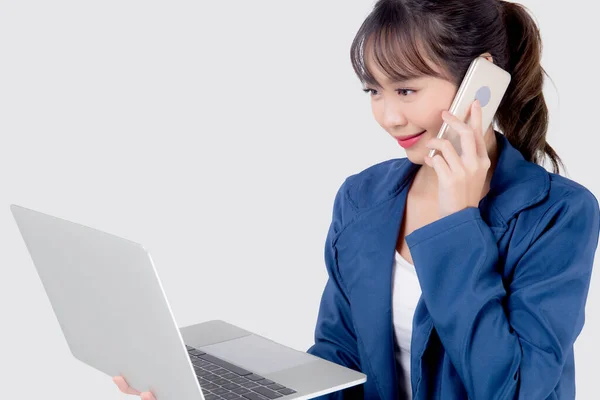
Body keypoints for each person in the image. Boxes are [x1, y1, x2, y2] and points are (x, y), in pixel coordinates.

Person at [113, 0, 600, 399]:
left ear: (481, 85)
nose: (388, 117)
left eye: (406, 90)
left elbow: (513, 392)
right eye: (373, 91)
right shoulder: (363, 198)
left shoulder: (558, 213)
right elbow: (340, 363)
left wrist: (459, 219)